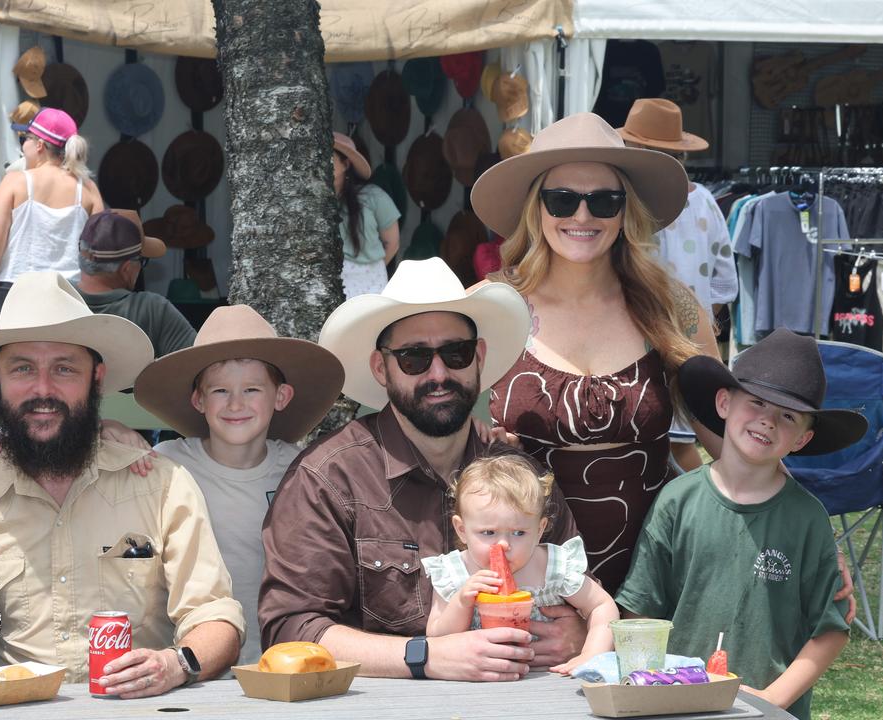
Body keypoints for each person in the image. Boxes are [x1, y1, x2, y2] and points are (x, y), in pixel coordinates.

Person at [261, 257, 587, 682]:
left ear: (479, 358)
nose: (439, 374)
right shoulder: (328, 478)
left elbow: (582, 596)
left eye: (456, 353)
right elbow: (290, 631)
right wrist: (424, 657)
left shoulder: (519, 474)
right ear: (382, 368)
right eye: (414, 357)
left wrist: (577, 635)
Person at [0, 271, 243, 698]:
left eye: (64, 369)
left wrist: (175, 664)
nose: (42, 389)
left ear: (97, 378)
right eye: (22, 368)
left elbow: (215, 614)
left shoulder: (162, 485)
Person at [471, 112, 721, 595]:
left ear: (626, 211)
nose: (582, 217)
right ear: (535, 207)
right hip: (522, 575)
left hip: (652, 570)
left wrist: (803, 528)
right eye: (562, 199)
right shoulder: (489, 306)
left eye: (604, 201)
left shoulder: (672, 307)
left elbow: (730, 433)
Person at [618, 328, 863, 720]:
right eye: (757, 403)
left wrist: (771, 699)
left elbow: (831, 629)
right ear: (724, 402)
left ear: (802, 439)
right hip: (677, 705)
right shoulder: (677, 501)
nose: (767, 421)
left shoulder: (808, 519)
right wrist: (660, 686)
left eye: (787, 416)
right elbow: (640, 611)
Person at [133, 304, 345, 665]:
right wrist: (112, 432)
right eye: (219, 391)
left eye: (251, 389)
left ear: (281, 397)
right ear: (198, 400)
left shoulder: (302, 470)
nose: (235, 404)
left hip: (282, 661)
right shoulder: (166, 464)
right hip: (191, 663)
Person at [0, 107, 102, 460]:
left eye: (25, 139)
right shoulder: (86, 190)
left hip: (14, 296)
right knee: (59, 391)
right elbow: (101, 250)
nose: (22, 146)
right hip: (67, 299)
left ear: (39, 145)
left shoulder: (16, 181)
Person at [616, 98, 737, 473]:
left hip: (638, 339)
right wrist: (702, 319)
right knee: (684, 434)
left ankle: (695, 506)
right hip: (690, 341)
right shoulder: (704, 202)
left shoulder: (626, 203)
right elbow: (724, 281)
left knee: (671, 443)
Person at [422, 447, 617, 675]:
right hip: (475, 686)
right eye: (488, 533)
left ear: (539, 529)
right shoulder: (454, 573)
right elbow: (435, 637)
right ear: (462, 530)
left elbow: (602, 605)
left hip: (548, 683)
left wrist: (592, 654)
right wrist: (462, 602)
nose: (503, 545)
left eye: (518, 533)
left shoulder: (552, 567)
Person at [76, 209, 197, 357]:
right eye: (141, 261)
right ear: (127, 269)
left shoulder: (53, 298)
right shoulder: (153, 309)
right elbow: (197, 363)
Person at [334, 132, 400, 297]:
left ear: (346, 164)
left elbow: (392, 243)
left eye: (329, 157)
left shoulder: (374, 197)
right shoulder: (314, 202)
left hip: (371, 279)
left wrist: (371, 269)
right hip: (329, 279)